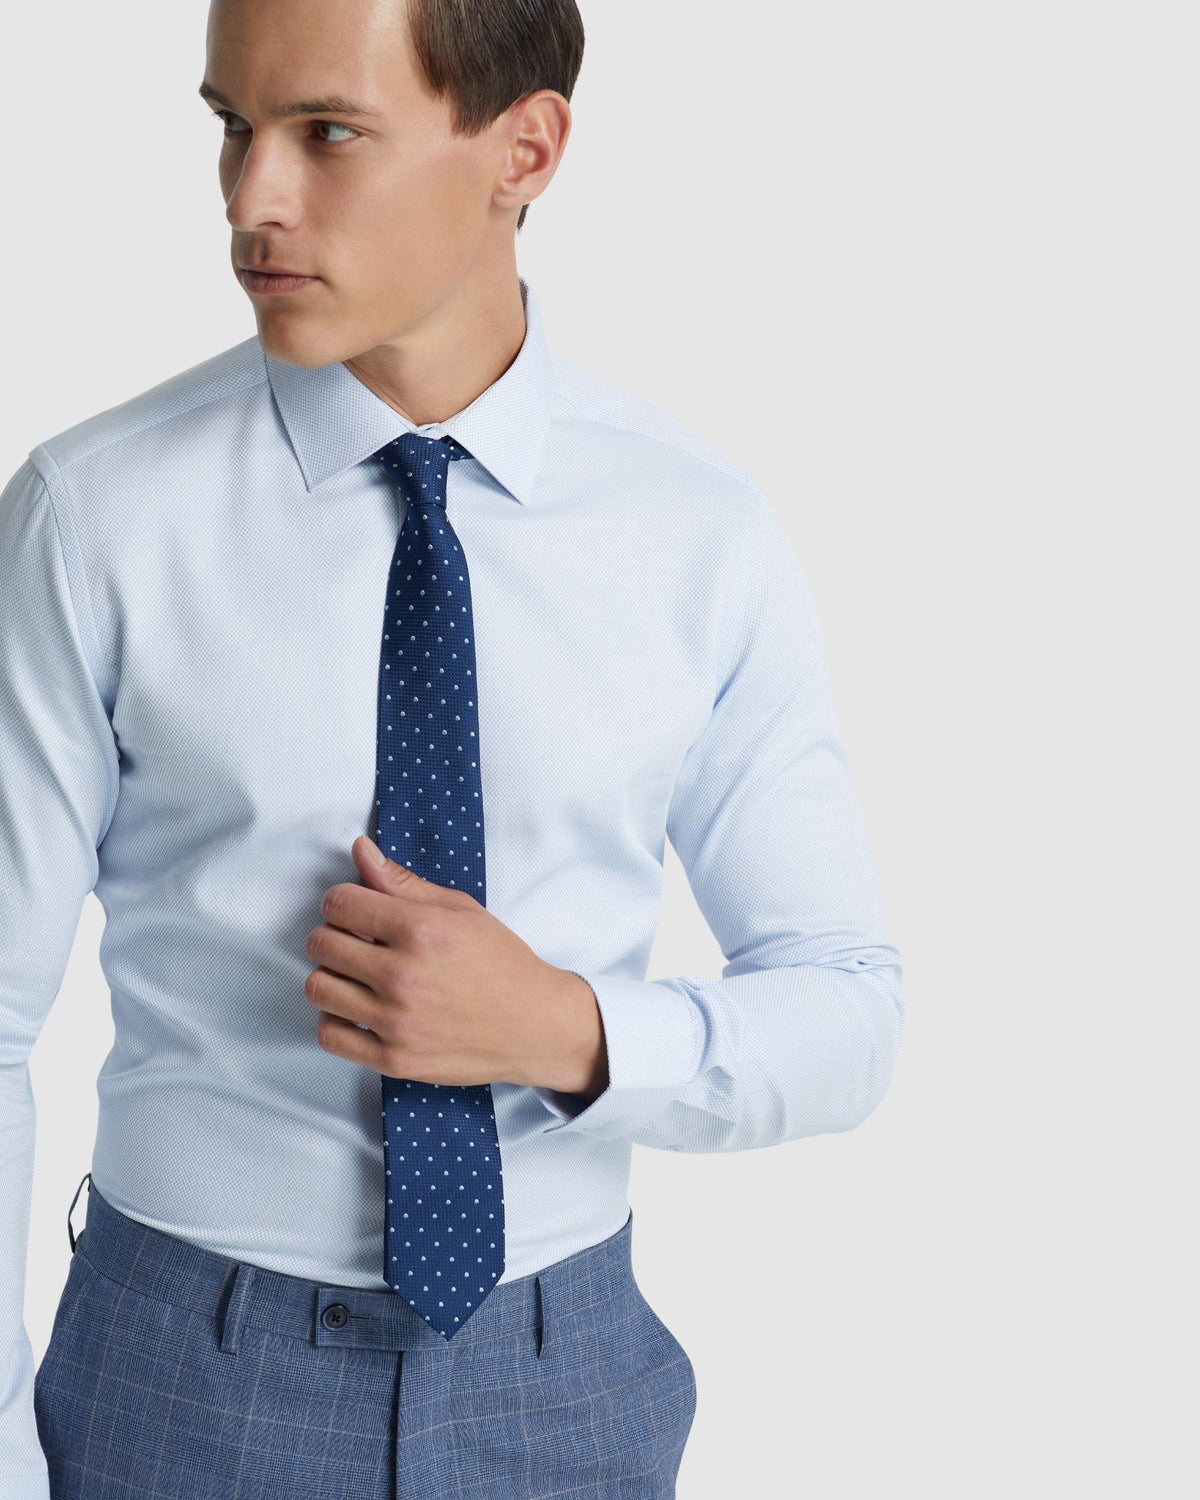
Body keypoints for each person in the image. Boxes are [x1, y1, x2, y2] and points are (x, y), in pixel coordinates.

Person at [0, 0, 905, 1495]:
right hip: (180, 1381)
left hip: (569, 1384)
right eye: (233, 128)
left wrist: (566, 1031)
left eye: (327, 133)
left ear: (525, 150)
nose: (251, 199)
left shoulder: (697, 535)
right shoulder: (95, 518)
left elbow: (848, 1009)